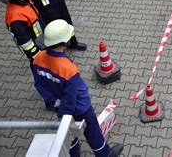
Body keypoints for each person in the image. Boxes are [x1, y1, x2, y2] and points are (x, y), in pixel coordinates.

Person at [32, 19, 123, 157]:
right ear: (65, 42)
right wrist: (66, 113)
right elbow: (70, 97)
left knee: (68, 134)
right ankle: (105, 154)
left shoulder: (37, 59)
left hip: (60, 106)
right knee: (92, 130)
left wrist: (56, 105)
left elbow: (39, 85)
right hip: (81, 107)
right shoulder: (69, 70)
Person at [5, 0, 44, 64]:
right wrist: (37, 56)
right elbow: (25, 42)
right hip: (37, 51)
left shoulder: (23, 0)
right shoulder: (15, 17)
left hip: (41, 41)